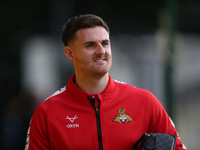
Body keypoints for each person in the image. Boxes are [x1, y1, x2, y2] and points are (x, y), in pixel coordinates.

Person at [25, 14, 187, 150]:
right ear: (70, 54)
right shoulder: (46, 113)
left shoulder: (145, 101)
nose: (101, 51)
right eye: (90, 45)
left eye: (105, 43)